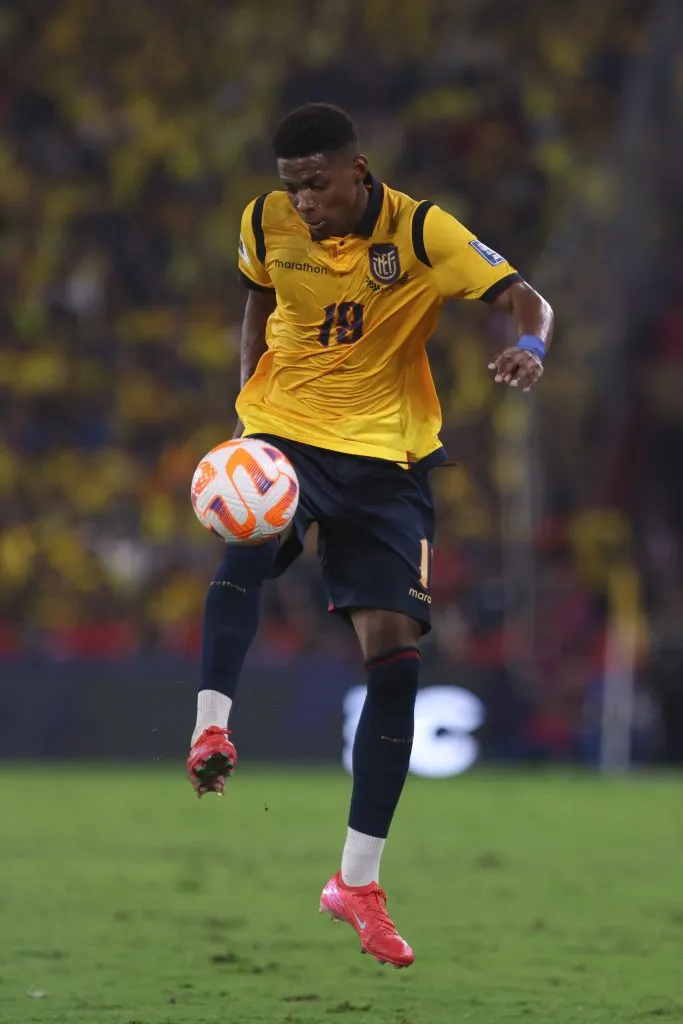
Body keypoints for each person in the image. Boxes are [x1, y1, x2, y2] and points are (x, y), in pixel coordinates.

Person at [186, 103, 554, 968]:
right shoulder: (261, 221)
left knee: (396, 666)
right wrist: (248, 418)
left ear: (357, 170)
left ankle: (355, 882)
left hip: (386, 459)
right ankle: (210, 728)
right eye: (291, 187)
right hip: (285, 435)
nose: (302, 202)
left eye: (316, 183)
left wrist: (531, 345)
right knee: (246, 550)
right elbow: (256, 298)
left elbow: (524, 296)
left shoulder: (422, 231)